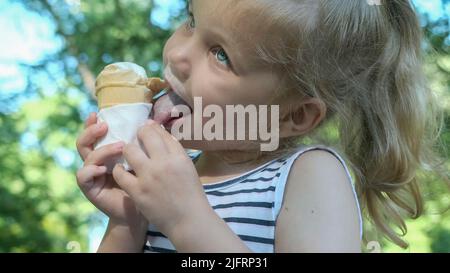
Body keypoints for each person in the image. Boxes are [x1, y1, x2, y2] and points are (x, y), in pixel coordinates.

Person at [75, 0, 444, 252]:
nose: (176, 53)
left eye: (221, 54)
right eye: (192, 20)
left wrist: (186, 220)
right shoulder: (167, 181)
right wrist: (128, 220)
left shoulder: (311, 175)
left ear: (293, 115)